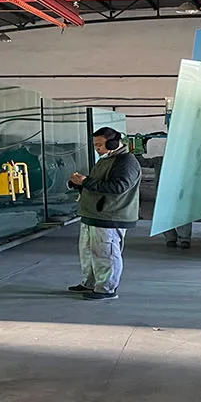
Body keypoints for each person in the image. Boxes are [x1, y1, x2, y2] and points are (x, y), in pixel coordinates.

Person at [67, 127, 140, 301]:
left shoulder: (126, 162)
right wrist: (79, 183)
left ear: (113, 143)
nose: (96, 148)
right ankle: (90, 283)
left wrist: (86, 181)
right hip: (94, 214)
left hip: (110, 216)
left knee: (106, 254)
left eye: (99, 144)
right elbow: (98, 183)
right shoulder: (106, 159)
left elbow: (119, 187)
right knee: (88, 253)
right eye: (95, 145)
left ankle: (106, 289)